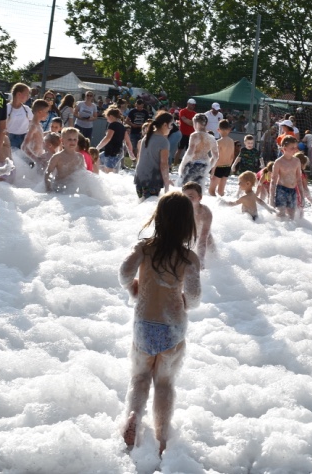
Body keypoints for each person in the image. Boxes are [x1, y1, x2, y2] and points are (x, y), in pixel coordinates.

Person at [119, 192, 201, 455]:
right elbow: (194, 296)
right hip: (172, 328)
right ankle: (162, 438)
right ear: (187, 223)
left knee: (140, 376)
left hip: (144, 324)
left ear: (158, 218)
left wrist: (133, 288)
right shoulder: (189, 258)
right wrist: (184, 303)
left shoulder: (144, 248)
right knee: (164, 383)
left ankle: (133, 415)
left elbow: (124, 272)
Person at [135, 113, 173, 200]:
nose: (171, 128)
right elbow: (164, 164)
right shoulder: (163, 141)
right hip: (152, 179)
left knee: (142, 203)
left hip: (139, 178)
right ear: (165, 125)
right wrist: (166, 184)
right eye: (171, 125)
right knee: (150, 204)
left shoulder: (147, 137)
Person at [271, 137, 306, 220]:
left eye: (296, 147)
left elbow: (299, 179)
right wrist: (271, 198)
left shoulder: (297, 161)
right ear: (285, 148)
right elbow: (273, 180)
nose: (295, 150)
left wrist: (302, 196)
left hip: (293, 190)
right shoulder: (279, 162)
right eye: (292, 148)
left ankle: (290, 228)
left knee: (291, 215)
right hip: (281, 190)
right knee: (281, 214)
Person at [179, 114, 218, 188]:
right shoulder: (211, 137)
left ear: (196, 123)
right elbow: (215, 156)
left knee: (185, 187)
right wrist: (209, 167)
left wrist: (182, 165)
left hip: (193, 164)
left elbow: (190, 152)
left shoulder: (195, 135)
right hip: (205, 164)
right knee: (198, 188)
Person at [182, 181, 215, 265]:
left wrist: (200, 261)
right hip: (188, 235)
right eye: (184, 197)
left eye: (190, 196)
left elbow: (203, 237)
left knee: (212, 254)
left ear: (200, 197)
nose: (187, 200)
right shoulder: (180, 210)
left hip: (205, 236)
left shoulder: (205, 213)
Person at [45, 127, 87, 193]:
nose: (72, 142)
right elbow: (47, 173)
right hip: (59, 189)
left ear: (77, 141)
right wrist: (48, 189)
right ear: (62, 141)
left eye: (75, 139)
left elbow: (83, 174)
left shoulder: (79, 157)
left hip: (73, 189)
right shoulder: (57, 157)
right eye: (69, 139)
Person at [96, 107, 133, 173]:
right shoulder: (122, 126)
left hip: (112, 152)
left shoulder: (113, 125)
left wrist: (98, 147)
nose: (107, 120)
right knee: (97, 160)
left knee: (109, 173)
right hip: (119, 152)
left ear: (111, 116)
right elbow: (128, 141)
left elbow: (108, 138)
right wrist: (130, 153)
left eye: (107, 117)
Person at [209, 119, 236, 196]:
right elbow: (232, 156)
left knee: (211, 191)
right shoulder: (231, 141)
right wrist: (230, 166)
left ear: (218, 130)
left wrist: (212, 170)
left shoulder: (218, 142)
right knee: (221, 191)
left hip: (218, 167)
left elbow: (216, 157)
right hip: (227, 167)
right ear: (229, 130)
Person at [21, 99, 52, 163]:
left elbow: (37, 136)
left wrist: (49, 133)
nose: (47, 114)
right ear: (40, 112)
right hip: (33, 161)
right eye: (46, 112)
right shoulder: (33, 126)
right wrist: (35, 159)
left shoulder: (38, 125)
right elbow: (24, 146)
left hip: (38, 158)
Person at [5, 83, 33, 150]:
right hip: (9, 139)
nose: (28, 97)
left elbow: (32, 123)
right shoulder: (6, 108)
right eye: (27, 94)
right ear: (18, 94)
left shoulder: (27, 109)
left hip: (24, 139)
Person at [175, 99, 197, 164]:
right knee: (179, 150)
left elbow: (194, 123)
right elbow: (186, 121)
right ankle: (175, 164)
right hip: (183, 134)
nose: (193, 106)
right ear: (188, 104)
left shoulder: (195, 114)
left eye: (194, 105)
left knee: (190, 151)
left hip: (191, 135)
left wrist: (191, 122)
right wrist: (192, 122)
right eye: (192, 104)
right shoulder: (182, 111)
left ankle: (187, 165)